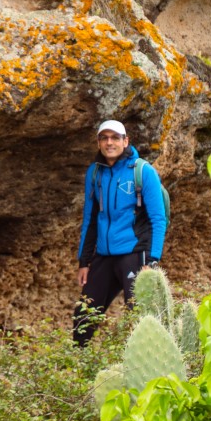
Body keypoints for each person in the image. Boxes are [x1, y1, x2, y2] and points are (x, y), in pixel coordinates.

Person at [73, 120, 166, 346]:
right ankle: (75, 367)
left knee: (138, 315)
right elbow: (90, 219)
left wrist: (152, 261)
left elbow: (158, 219)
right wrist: (84, 261)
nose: (109, 142)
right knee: (84, 314)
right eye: (104, 138)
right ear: (98, 143)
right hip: (104, 255)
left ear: (126, 141)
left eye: (115, 138)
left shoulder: (143, 171)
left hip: (134, 254)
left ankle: (142, 370)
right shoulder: (94, 173)